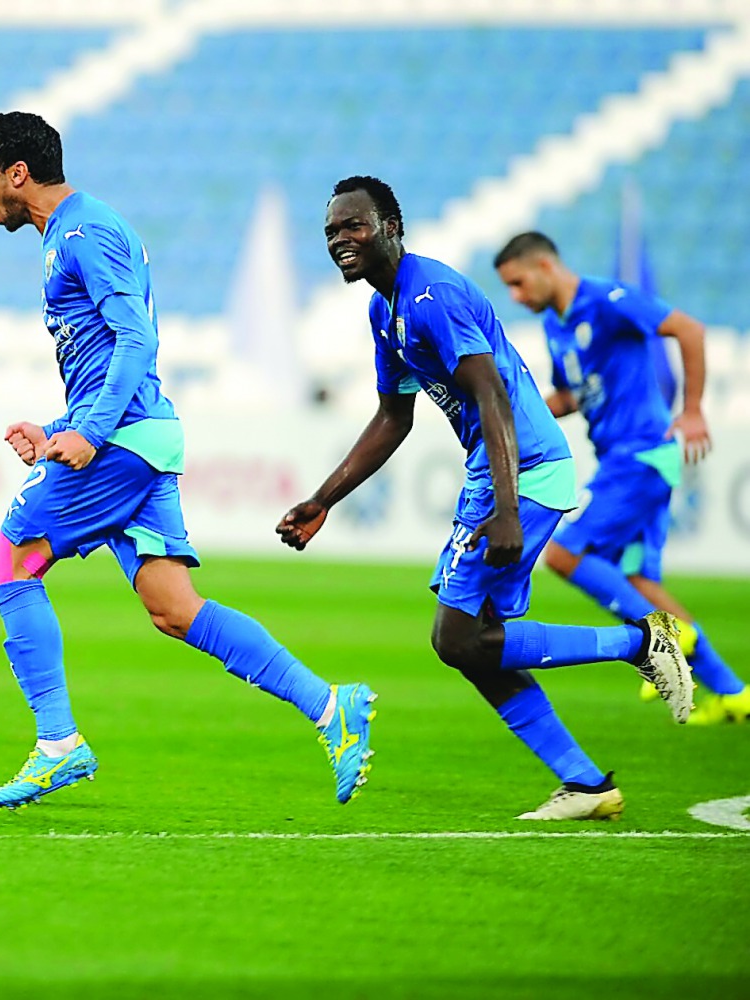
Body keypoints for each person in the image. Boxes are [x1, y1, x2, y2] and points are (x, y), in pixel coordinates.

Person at [0, 111, 376, 810]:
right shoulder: (70, 233)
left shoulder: (85, 233)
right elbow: (107, 357)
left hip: (123, 442)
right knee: (174, 609)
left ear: (17, 173)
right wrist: (58, 426)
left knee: (10, 564)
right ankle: (329, 705)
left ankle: (58, 743)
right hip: (138, 434)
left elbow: (136, 342)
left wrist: (91, 433)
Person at [277, 176, 693, 822]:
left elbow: (491, 393)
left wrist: (506, 507)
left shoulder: (432, 296)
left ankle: (639, 643)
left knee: (456, 638)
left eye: (353, 225)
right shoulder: (385, 310)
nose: (339, 240)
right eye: (331, 231)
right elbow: (393, 418)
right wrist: (324, 499)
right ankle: (585, 783)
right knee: (475, 646)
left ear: (391, 228)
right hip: (501, 473)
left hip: (523, 472)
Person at [494, 232, 748, 725]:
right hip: (624, 459)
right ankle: (733, 692)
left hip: (641, 456)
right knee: (637, 580)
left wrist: (693, 409)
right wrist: (515, 419)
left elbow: (689, 329)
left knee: (563, 553)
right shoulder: (555, 326)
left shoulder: (606, 300)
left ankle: (663, 636)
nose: (516, 296)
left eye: (518, 283)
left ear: (545, 266)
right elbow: (571, 396)